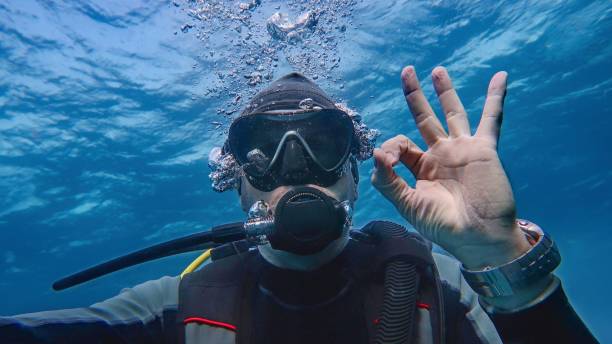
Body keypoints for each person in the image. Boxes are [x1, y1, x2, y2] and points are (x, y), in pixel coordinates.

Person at [0, 67, 598, 344]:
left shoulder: (430, 284)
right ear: (236, 181)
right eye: (262, 151)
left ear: (355, 173)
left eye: (322, 143)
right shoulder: (183, 305)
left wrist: (497, 254)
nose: (294, 167)